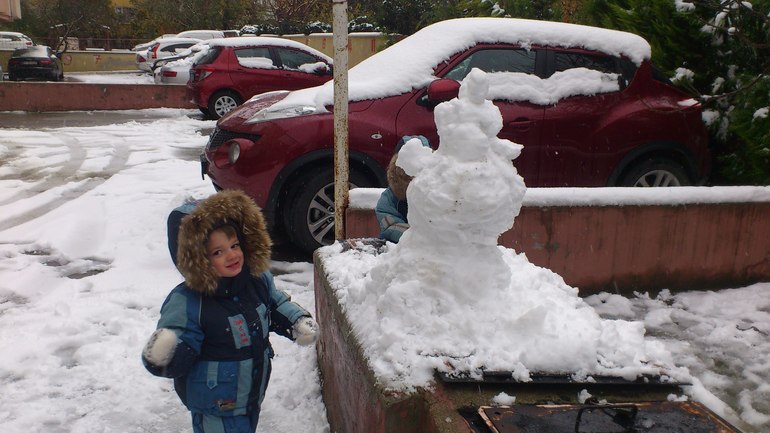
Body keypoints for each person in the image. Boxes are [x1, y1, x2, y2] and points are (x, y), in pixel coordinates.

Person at [142, 189, 318, 433]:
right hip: (214, 404)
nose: (232, 255)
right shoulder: (189, 301)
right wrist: (164, 354)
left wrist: (296, 321)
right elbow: (179, 341)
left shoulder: (256, 281)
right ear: (198, 259)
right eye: (218, 252)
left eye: (234, 245)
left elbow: (274, 304)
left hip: (251, 392)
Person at [375, 135, 431, 243]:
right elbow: (390, 226)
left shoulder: (439, 192)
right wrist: (416, 235)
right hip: (400, 247)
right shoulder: (389, 199)